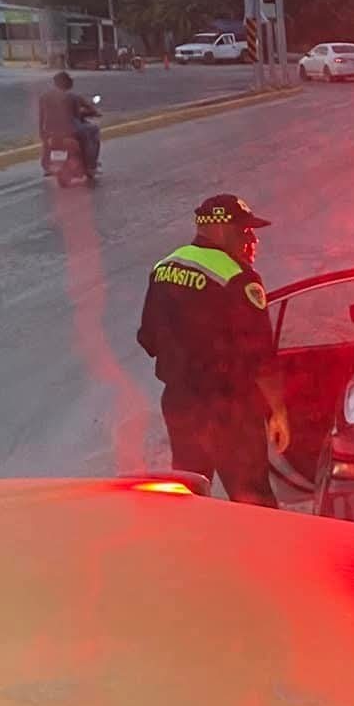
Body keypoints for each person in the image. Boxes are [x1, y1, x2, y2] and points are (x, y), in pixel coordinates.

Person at [136, 193, 290, 505]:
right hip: (230, 408)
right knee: (253, 498)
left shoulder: (165, 267)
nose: (251, 240)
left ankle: (193, 549)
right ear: (219, 230)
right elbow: (260, 357)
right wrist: (279, 410)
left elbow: (148, 338)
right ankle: (264, 553)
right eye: (244, 231)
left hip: (180, 404)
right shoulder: (238, 278)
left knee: (190, 490)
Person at [38, 70, 100, 177]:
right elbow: (76, 115)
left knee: (47, 142)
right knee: (93, 130)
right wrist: (91, 113)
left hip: (49, 129)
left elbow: (41, 116)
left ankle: (47, 165)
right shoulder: (72, 97)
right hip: (70, 129)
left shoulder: (44, 97)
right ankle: (90, 165)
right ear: (68, 83)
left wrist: (42, 131)